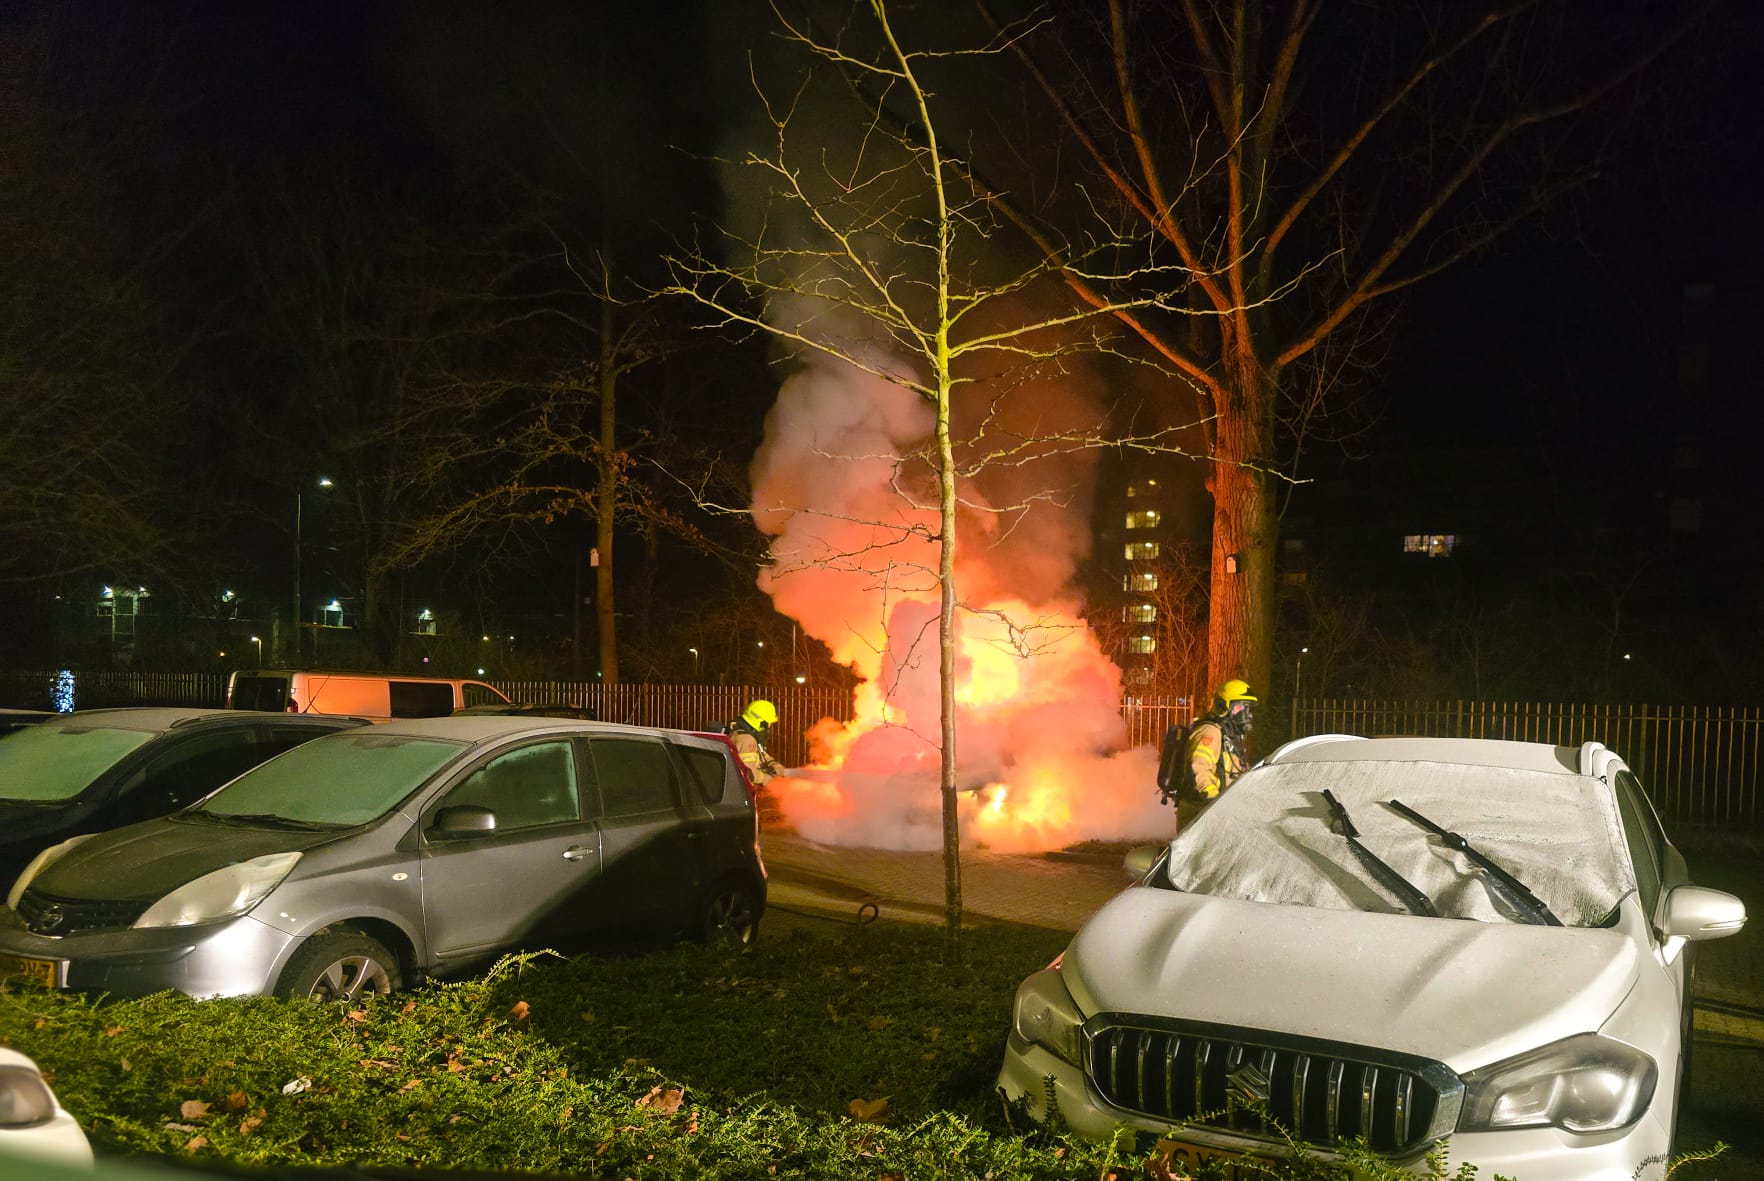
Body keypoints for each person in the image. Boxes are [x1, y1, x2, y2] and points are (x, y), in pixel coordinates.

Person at [1156, 679, 1256, 821]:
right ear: (1224, 706)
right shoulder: (1210, 732)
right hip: (1200, 811)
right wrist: (1214, 800)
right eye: (1241, 707)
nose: (1247, 714)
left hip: (1214, 812)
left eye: (1248, 708)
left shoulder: (1226, 734)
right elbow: (1198, 768)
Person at [726, 698, 782, 786]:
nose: (769, 727)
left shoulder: (743, 734)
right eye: (768, 724)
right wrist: (769, 780)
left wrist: (776, 766)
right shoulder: (747, 740)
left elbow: (762, 755)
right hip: (745, 791)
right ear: (761, 723)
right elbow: (748, 772)